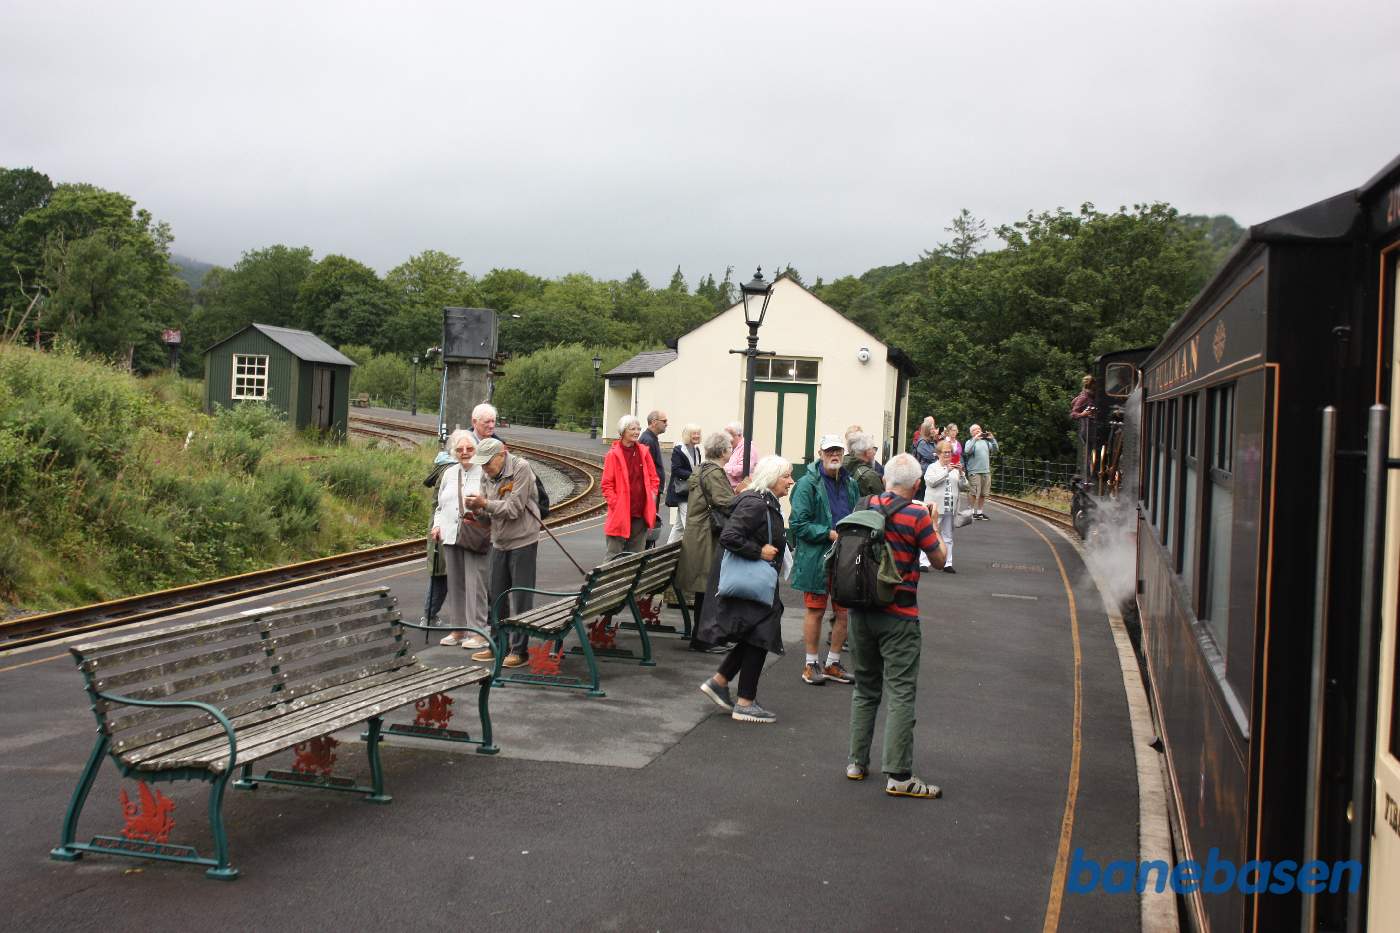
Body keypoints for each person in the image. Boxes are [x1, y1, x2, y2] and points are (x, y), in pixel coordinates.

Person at [846, 453, 946, 798]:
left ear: (885, 479)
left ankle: (856, 762)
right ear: (917, 485)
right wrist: (933, 524)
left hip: (860, 612)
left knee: (865, 689)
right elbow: (939, 559)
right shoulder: (917, 514)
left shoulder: (864, 505)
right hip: (899, 616)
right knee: (901, 692)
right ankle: (899, 775)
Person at [696, 455, 795, 723]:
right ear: (772, 478)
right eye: (786, 476)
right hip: (751, 581)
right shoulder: (756, 504)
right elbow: (730, 536)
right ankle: (745, 702)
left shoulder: (762, 501)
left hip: (753, 581)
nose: (791, 481)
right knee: (760, 635)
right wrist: (758, 551)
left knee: (755, 635)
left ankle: (720, 682)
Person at [463, 437, 541, 668]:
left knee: (521, 597)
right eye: (482, 463)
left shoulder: (521, 468)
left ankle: (520, 650)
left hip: (523, 540)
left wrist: (484, 504)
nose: (485, 467)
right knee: (496, 596)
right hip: (499, 541)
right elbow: (488, 519)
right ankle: (498, 645)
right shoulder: (487, 474)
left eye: (488, 462)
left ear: (501, 455)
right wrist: (476, 511)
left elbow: (514, 509)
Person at [790, 434, 860, 685]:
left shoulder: (850, 483)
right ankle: (810, 665)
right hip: (817, 558)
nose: (834, 455)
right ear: (820, 454)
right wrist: (828, 534)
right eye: (829, 451)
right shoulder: (807, 484)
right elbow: (798, 524)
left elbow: (857, 514)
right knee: (816, 610)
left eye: (838, 451)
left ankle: (832, 663)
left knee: (844, 611)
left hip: (846, 556)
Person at [430, 431, 493, 650]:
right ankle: (458, 629)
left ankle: (479, 631)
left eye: (469, 448)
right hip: (450, 534)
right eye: (459, 449)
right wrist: (437, 525)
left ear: (476, 449)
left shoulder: (484, 472)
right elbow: (440, 506)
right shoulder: (449, 473)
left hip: (475, 534)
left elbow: (490, 502)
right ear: (453, 452)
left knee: (476, 585)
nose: (464, 452)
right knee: (455, 583)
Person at [678, 431, 736, 652]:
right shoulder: (714, 474)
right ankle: (703, 638)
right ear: (722, 452)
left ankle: (706, 635)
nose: (731, 451)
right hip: (706, 536)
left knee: (706, 588)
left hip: (698, 534)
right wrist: (743, 496)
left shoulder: (702, 469)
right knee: (708, 587)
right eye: (729, 448)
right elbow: (724, 502)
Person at [601, 414, 659, 555]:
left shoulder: (644, 452)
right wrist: (616, 504)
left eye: (638, 429)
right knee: (614, 555)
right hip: (620, 513)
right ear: (623, 431)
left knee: (635, 556)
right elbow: (607, 485)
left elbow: (654, 478)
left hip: (640, 513)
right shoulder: (613, 455)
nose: (637, 432)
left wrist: (652, 495)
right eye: (632, 429)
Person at [420, 447, 455, 632]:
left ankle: (430, 615)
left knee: (441, 573)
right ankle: (429, 616)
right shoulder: (450, 471)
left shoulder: (444, 468)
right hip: (443, 529)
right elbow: (444, 505)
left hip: (440, 528)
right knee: (441, 574)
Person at [922, 440, 966, 573]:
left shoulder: (954, 469)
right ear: (938, 454)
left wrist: (962, 474)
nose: (948, 455)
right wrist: (947, 471)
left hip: (950, 507)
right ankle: (923, 562)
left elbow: (964, 486)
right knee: (929, 533)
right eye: (945, 452)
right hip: (935, 507)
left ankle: (948, 563)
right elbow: (931, 482)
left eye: (950, 452)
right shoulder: (932, 467)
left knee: (948, 536)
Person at [666, 423, 703, 545]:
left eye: (698, 433)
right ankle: (693, 549)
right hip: (682, 491)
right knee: (688, 523)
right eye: (694, 433)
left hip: (691, 489)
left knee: (679, 526)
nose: (697, 436)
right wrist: (694, 475)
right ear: (688, 435)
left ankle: (668, 548)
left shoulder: (697, 450)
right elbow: (676, 469)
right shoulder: (679, 449)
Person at [639, 410, 668, 547]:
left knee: (651, 523)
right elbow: (646, 469)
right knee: (648, 524)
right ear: (654, 422)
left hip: (653, 490)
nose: (667, 424)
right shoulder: (648, 440)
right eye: (664, 421)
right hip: (650, 492)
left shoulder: (651, 438)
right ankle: (645, 551)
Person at [963, 424, 999, 520]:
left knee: (983, 493)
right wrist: (975, 439)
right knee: (974, 493)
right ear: (971, 433)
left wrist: (992, 439)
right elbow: (967, 451)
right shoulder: (970, 442)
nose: (978, 430)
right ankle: (970, 512)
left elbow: (996, 449)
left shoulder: (986, 442)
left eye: (979, 429)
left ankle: (979, 513)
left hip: (986, 471)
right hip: (974, 471)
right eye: (975, 430)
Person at [844, 431, 884, 497]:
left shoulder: (839, 467)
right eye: (873, 449)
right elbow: (881, 500)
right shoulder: (870, 476)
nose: (874, 452)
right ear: (867, 452)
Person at [723, 421, 760, 489]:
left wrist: (725, 469)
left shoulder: (748, 448)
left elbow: (743, 469)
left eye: (730, 435)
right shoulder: (734, 448)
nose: (728, 439)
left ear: (739, 435)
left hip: (741, 490)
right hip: (731, 489)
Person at [1070, 375, 1096, 445]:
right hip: (1088, 433)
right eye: (1095, 384)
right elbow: (1073, 414)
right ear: (1091, 385)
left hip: (1093, 431)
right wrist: (1082, 414)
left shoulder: (1092, 396)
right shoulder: (1084, 397)